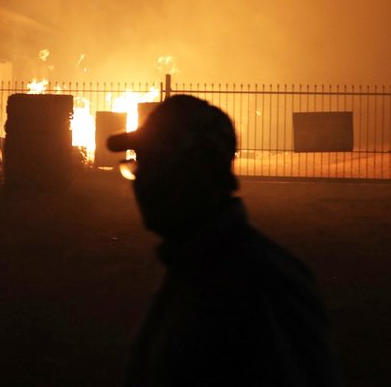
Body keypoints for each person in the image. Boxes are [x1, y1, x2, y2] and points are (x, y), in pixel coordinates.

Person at [107, 94, 342, 386]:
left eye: (156, 162)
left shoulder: (262, 285)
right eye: (139, 164)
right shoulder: (194, 265)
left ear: (202, 165)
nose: (143, 181)